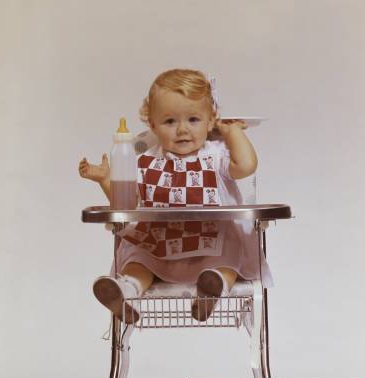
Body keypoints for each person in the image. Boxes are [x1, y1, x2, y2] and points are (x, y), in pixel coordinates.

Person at [78, 68, 272, 323]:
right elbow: (126, 204)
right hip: (158, 247)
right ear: (153, 125)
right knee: (138, 259)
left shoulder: (216, 156)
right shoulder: (144, 161)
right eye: (170, 121)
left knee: (229, 257)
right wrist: (105, 179)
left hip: (210, 246)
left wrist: (232, 132)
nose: (182, 129)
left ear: (211, 120)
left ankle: (213, 289)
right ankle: (127, 290)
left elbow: (246, 165)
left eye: (193, 119)